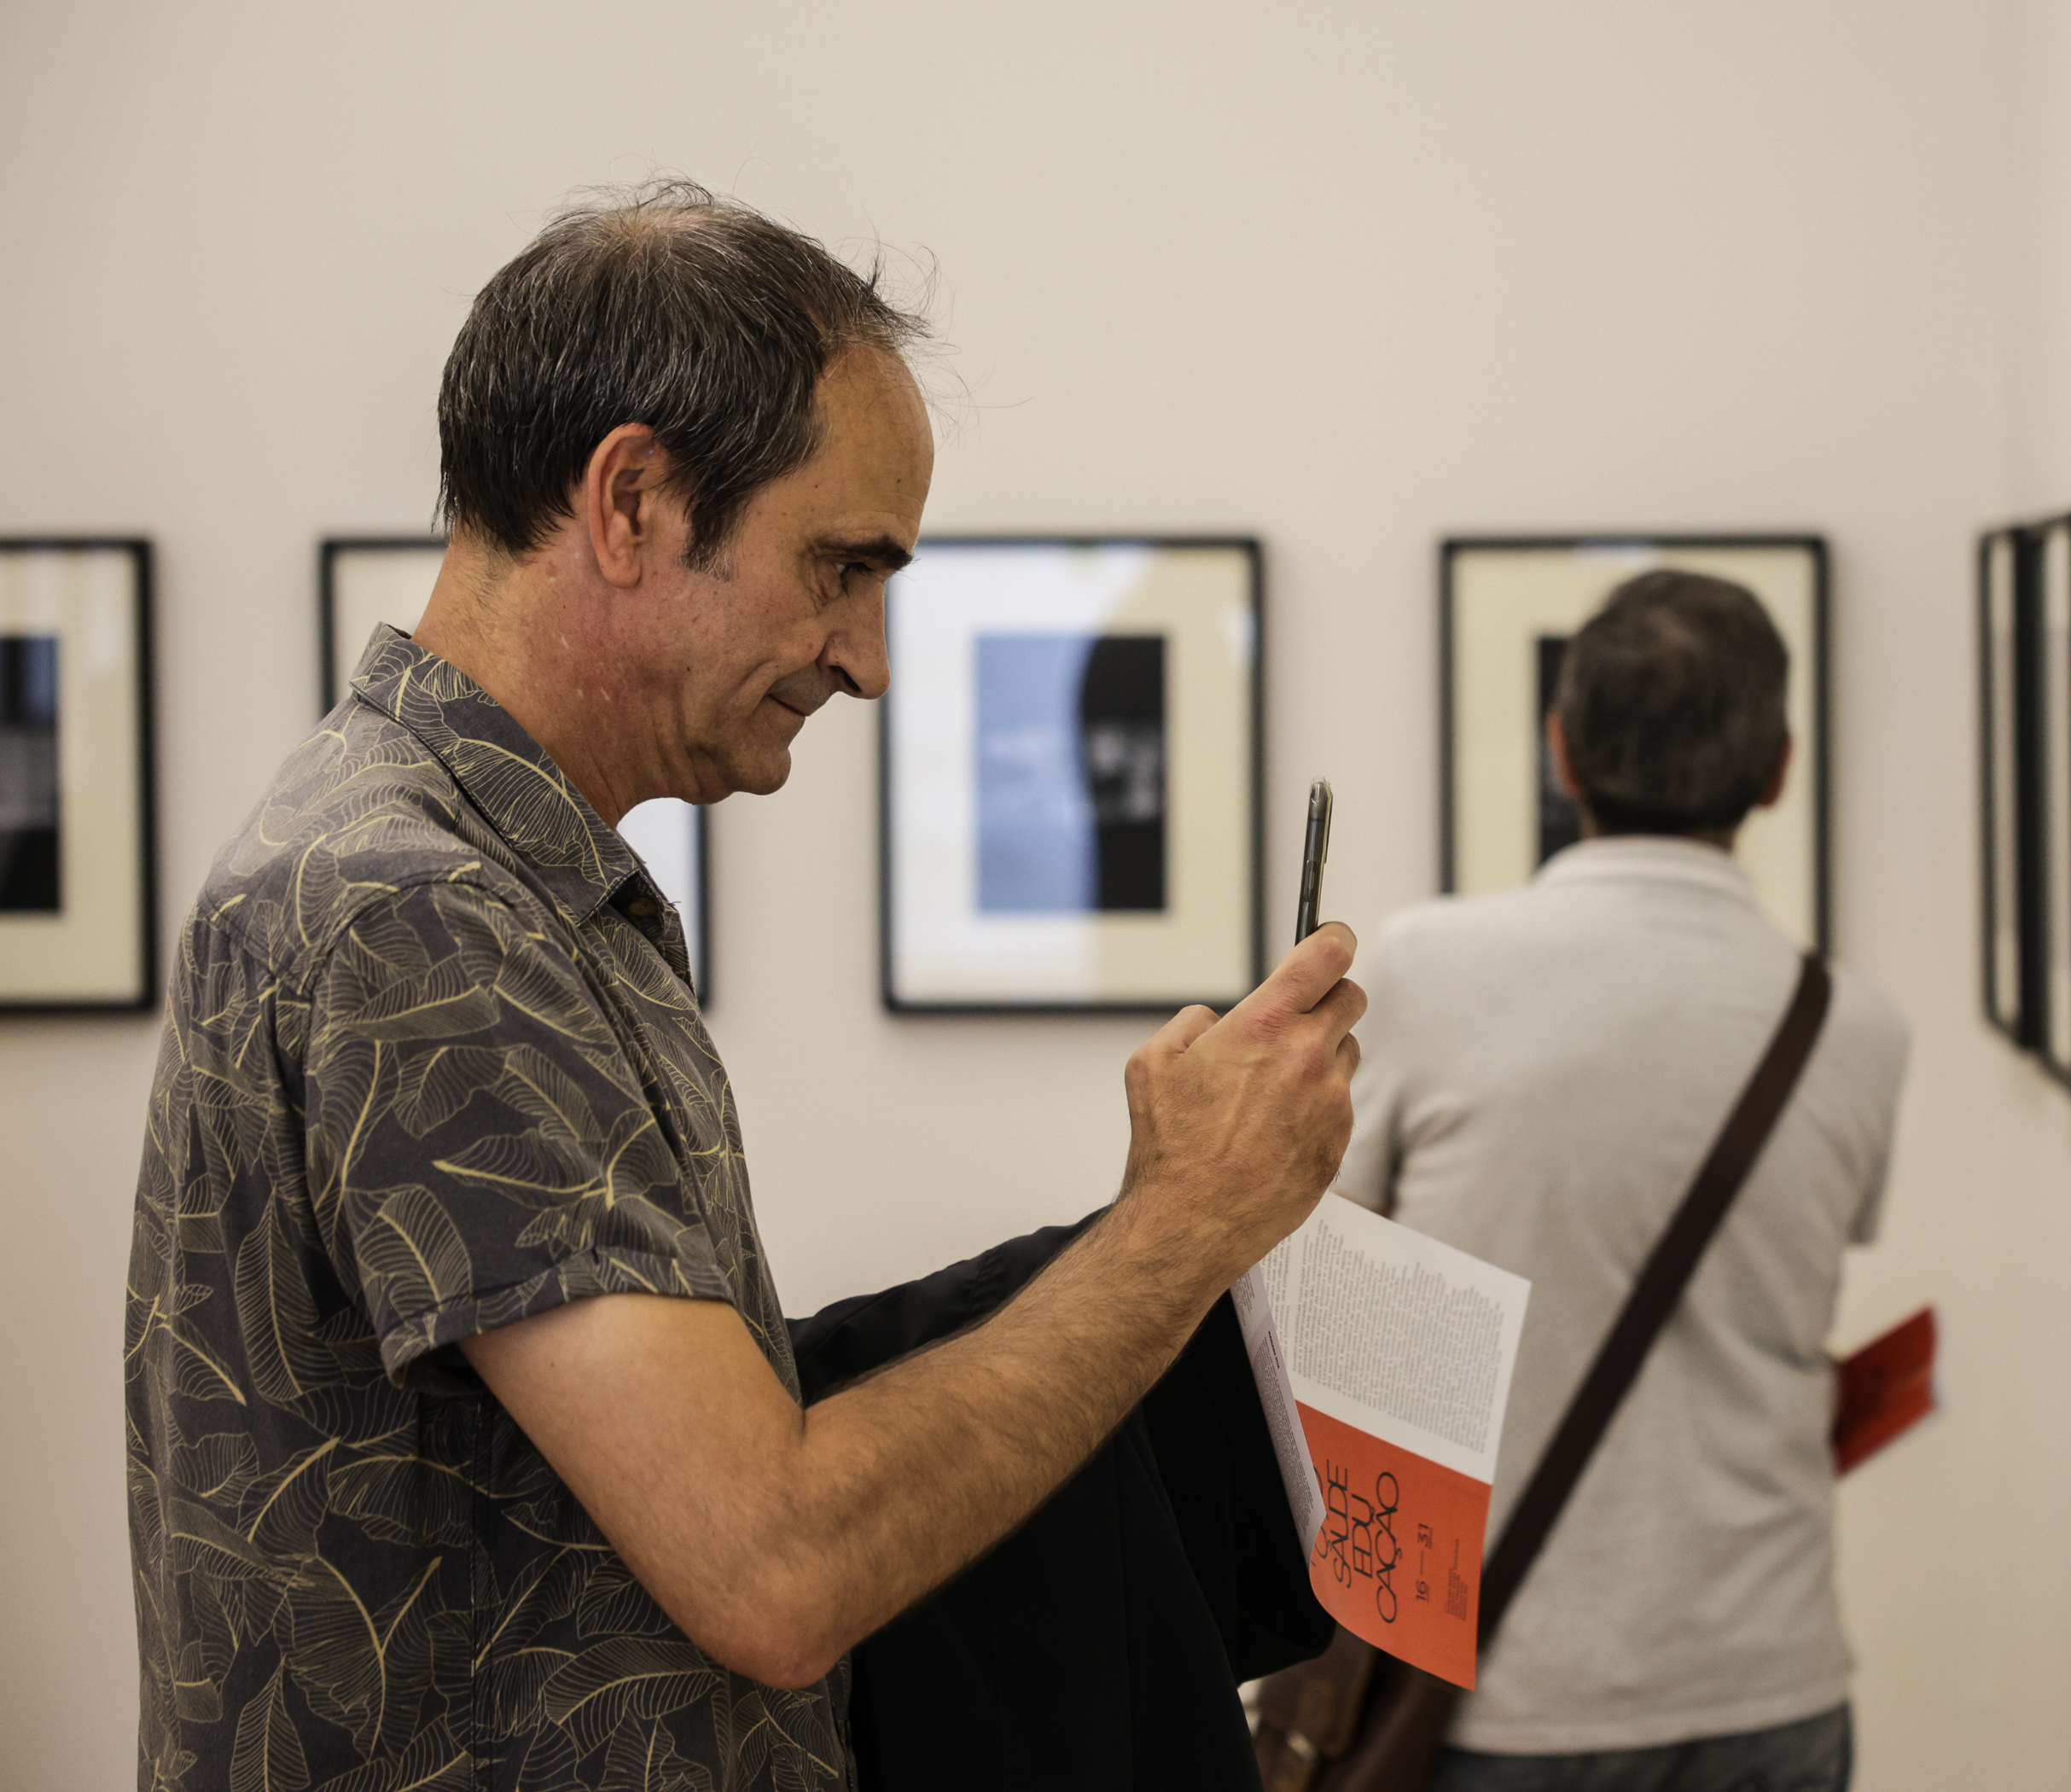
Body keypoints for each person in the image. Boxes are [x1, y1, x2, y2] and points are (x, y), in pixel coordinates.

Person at [124, 182, 1363, 1792]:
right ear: (630, 499)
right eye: (841, 566)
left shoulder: (510, 885)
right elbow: (772, 1568)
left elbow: (648, 1471)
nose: (869, 657)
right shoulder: (408, 913)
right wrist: (1183, 1222)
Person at [1333, 569, 1910, 1792]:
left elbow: (1342, 1273)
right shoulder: (1853, 1024)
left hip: (1502, 1681)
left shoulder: (1429, 972)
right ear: (1778, 770)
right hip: (1772, 1677)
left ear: (1563, 752)